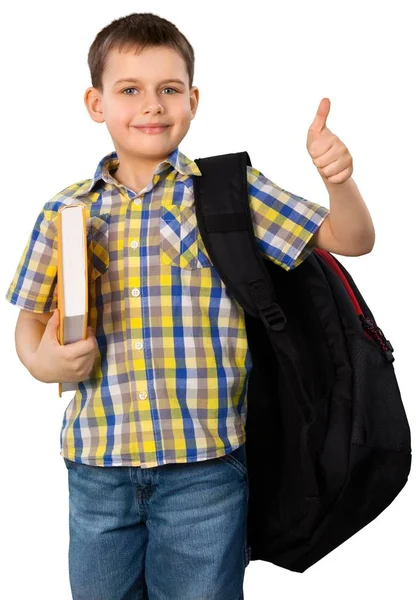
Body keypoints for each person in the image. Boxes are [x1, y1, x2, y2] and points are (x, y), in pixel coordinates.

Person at [4, 11, 375, 600]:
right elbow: (27, 327)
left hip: (205, 467)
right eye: (130, 90)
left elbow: (351, 239)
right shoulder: (65, 211)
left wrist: (339, 180)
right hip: (97, 467)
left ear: (193, 100)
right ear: (96, 103)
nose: (151, 105)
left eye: (168, 89)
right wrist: (46, 363)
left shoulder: (230, 191)